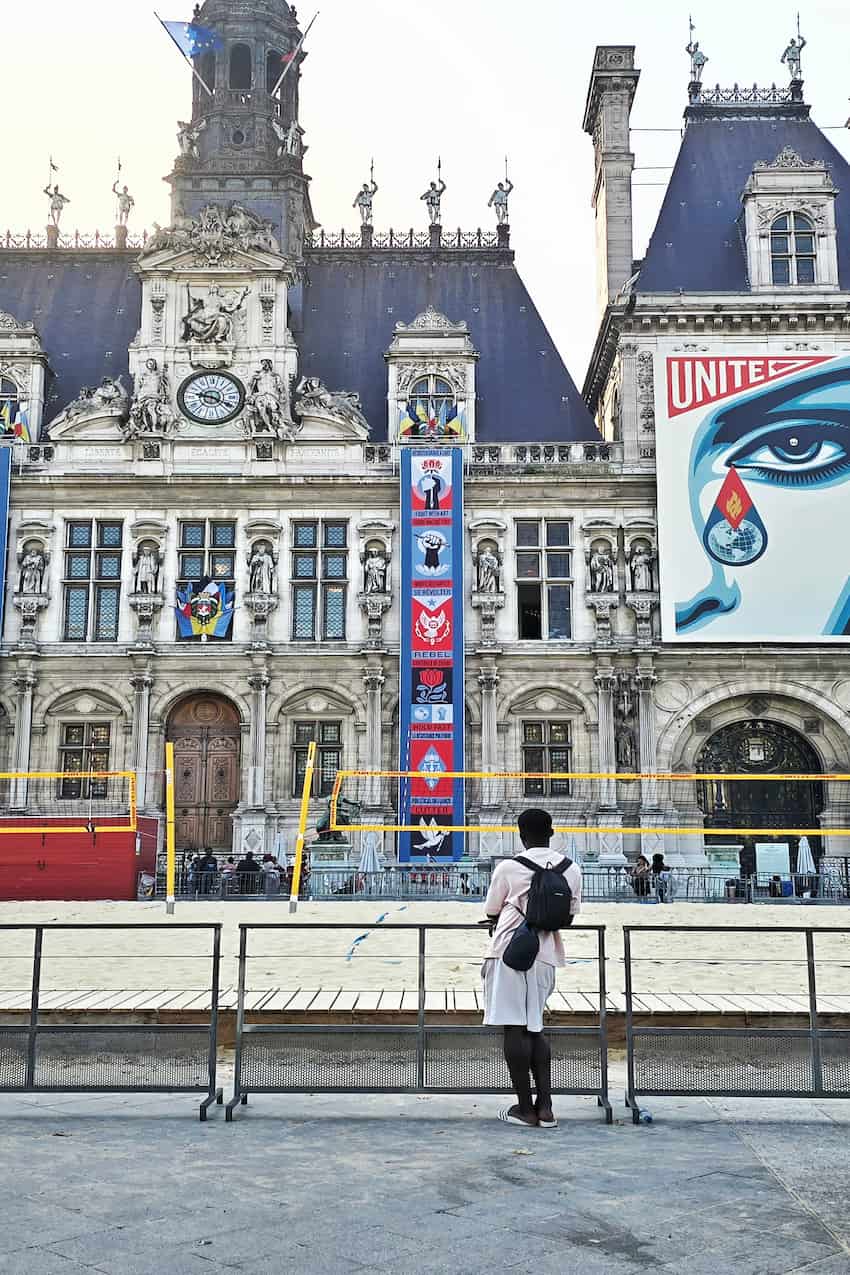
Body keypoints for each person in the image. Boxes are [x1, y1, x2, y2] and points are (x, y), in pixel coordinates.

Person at [481, 808, 582, 1128]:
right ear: (552, 833)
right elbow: (569, 915)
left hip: (510, 951)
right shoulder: (571, 869)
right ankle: (546, 1108)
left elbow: (491, 909)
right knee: (535, 1026)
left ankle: (525, 1108)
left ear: (521, 835)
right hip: (547, 952)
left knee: (514, 1028)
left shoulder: (509, 867)